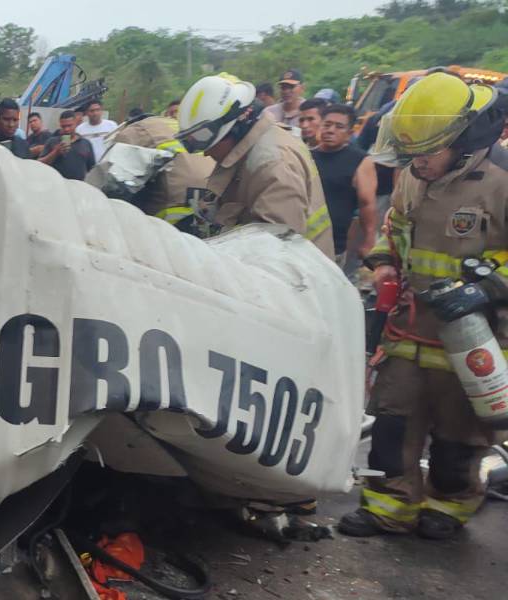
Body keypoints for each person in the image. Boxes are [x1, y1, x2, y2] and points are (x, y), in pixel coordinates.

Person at [339, 71, 508, 541]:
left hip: (476, 337)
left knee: (459, 435)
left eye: (427, 154)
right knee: (392, 425)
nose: (417, 164)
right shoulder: (416, 176)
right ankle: (388, 507)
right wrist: (383, 262)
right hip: (410, 330)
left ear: (463, 140)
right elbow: (395, 227)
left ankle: (449, 506)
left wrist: (489, 285)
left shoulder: (501, 180)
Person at [174, 73, 333, 256]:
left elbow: (276, 252)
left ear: (234, 129)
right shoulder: (247, 151)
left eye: (208, 144)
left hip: (299, 270)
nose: (206, 153)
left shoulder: (273, 165)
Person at [101, 115, 216, 231]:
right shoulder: (178, 126)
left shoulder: (136, 132)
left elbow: (110, 188)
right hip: (209, 211)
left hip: (166, 227)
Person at [311, 104, 377, 258]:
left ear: (349, 133)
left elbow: (367, 204)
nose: (331, 130)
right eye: (327, 125)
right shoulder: (306, 156)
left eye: (339, 127)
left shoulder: (361, 161)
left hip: (334, 246)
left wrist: (369, 241)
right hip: (301, 240)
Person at [40, 110, 97, 180]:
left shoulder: (85, 143)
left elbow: (92, 169)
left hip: (78, 185)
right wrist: (55, 152)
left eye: (69, 125)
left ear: (76, 123)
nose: (66, 129)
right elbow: (40, 164)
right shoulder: (52, 142)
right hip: (57, 184)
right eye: (63, 126)